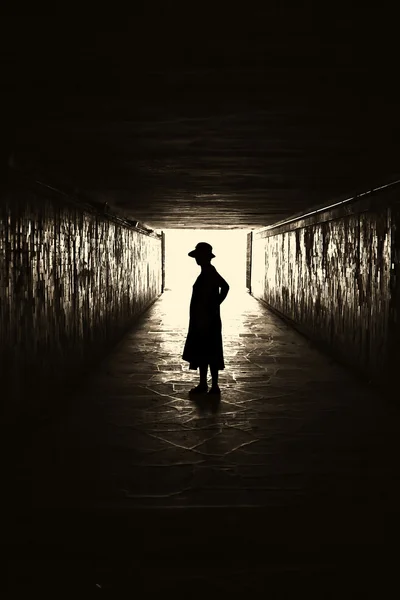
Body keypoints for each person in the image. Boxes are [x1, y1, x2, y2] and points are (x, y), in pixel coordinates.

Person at [182, 242, 229, 395]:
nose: (196, 259)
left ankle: (213, 386)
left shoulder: (209, 271)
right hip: (205, 318)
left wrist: (216, 304)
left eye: (198, 256)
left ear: (205, 257)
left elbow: (226, 286)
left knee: (209, 351)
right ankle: (205, 384)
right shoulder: (207, 271)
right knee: (206, 351)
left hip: (207, 320)